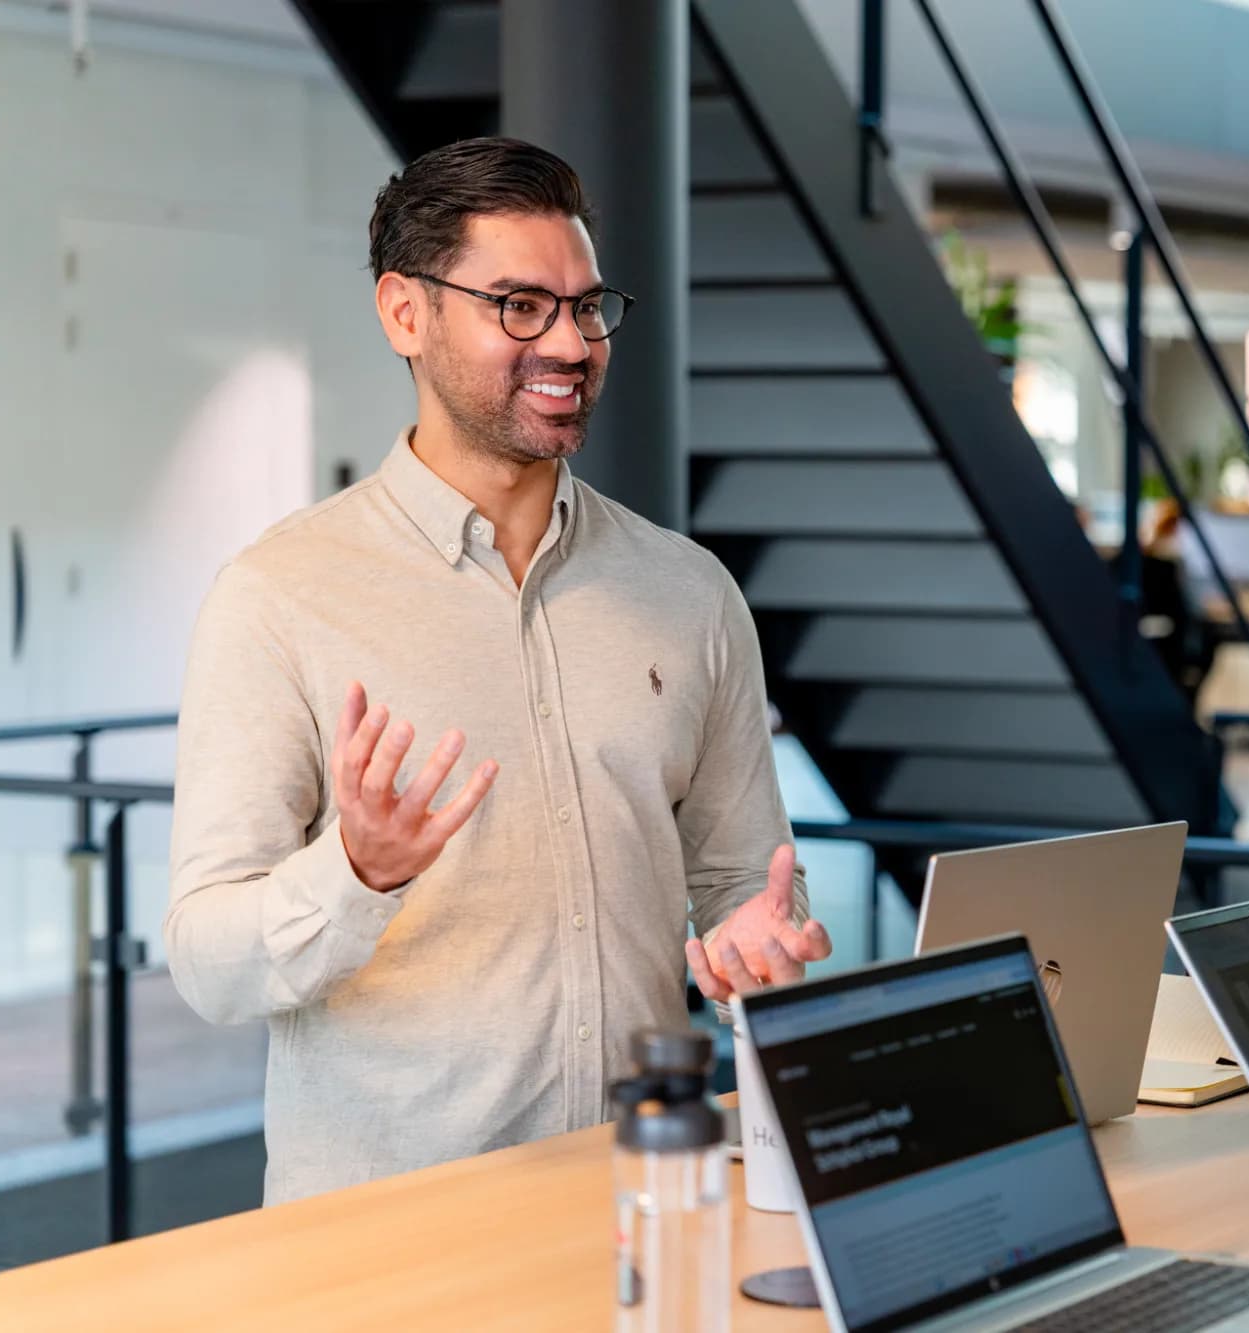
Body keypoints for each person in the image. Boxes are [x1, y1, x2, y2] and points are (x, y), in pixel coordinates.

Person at [165, 137, 830, 1205]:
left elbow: (735, 885)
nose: (569, 342)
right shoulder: (279, 595)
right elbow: (206, 959)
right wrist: (357, 872)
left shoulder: (687, 590)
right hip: (393, 1235)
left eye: (584, 305)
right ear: (404, 314)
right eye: (517, 305)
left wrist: (755, 938)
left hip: (643, 1199)